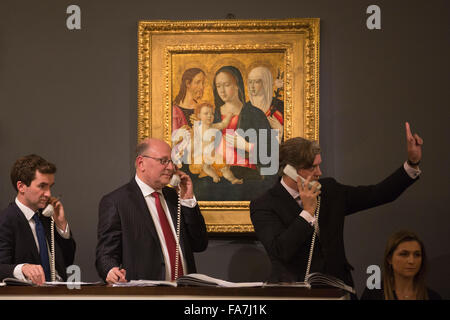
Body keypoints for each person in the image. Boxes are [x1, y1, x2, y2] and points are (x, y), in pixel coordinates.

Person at [250, 122, 423, 291]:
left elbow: (377, 194)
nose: (319, 172)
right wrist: (307, 213)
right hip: (296, 293)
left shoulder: (330, 191)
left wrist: (412, 164)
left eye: (319, 165)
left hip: (338, 289)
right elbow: (281, 250)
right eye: (312, 167)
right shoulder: (265, 205)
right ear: (290, 170)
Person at [95, 138, 208, 284]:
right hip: (146, 294)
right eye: (164, 161)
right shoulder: (117, 202)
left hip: (186, 292)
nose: (170, 167)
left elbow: (199, 244)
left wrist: (187, 199)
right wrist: (110, 270)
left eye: (172, 161)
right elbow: (105, 254)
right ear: (141, 163)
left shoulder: (176, 198)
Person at [0, 154, 76, 285]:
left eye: (50, 186)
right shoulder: (6, 220)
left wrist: (61, 225)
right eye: (42, 186)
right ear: (21, 187)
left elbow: (68, 262)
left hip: (59, 292)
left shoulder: (47, 217)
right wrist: (23, 269)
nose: (48, 194)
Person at [212, 65, 275, 181]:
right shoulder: (212, 115)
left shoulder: (255, 114)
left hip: (248, 174)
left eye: (226, 85)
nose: (222, 90)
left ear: (237, 86)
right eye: (218, 86)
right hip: (219, 173)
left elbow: (271, 153)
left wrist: (247, 146)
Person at [361, 230, 441, 300]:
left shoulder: (432, 296)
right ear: (389, 259)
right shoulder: (374, 294)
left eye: (417, 255)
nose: (411, 261)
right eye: (404, 254)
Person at [189, 101, 243, 184]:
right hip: (201, 155)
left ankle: (233, 179)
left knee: (224, 167)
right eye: (206, 113)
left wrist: (229, 116)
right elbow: (193, 144)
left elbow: (223, 124)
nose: (209, 116)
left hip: (213, 155)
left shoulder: (214, 126)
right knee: (206, 167)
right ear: (199, 115)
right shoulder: (198, 129)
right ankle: (214, 176)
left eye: (212, 114)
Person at [247, 66, 284, 142]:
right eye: (250, 82)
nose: (252, 86)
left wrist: (281, 129)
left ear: (265, 83)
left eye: (257, 82)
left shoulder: (279, 105)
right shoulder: (246, 108)